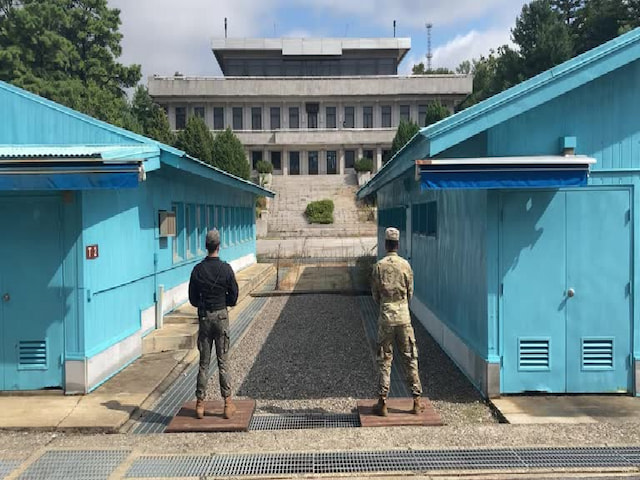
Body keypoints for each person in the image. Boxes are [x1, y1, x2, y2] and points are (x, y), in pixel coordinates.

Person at [371, 227, 424, 416]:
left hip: (386, 317)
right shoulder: (405, 266)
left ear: (386, 244)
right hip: (403, 317)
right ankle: (416, 401)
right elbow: (410, 293)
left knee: (384, 359)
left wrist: (386, 303)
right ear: (398, 245)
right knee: (410, 358)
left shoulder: (379, 266)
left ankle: (383, 401)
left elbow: (375, 295)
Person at [188, 228, 239, 420]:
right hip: (221, 317)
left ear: (205, 246)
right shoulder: (226, 269)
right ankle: (227, 403)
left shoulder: (197, 270)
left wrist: (203, 305)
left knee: (204, 363)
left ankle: (200, 404)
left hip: (204, 318)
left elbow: (192, 298)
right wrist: (224, 301)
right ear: (219, 246)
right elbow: (234, 296)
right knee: (223, 361)